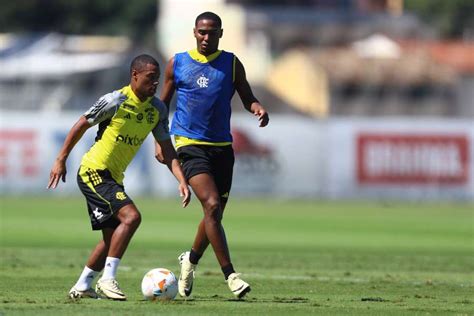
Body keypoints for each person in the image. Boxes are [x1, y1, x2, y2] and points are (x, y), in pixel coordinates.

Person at [47, 54, 191, 301]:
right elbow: (82, 123)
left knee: (112, 237)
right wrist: (61, 158)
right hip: (93, 171)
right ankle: (108, 279)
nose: (155, 84)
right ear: (135, 75)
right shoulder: (115, 100)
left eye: (157, 79)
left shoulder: (156, 110)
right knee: (132, 216)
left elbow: (167, 149)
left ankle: (83, 285)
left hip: (113, 178)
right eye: (150, 78)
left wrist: (181, 179)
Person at [156, 11, 269, 299]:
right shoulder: (178, 64)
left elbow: (247, 97)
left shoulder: (231, 64)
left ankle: (190, 260)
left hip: (222, 148)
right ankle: (231, 276)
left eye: (212, 32)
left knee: (212, 214)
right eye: (201, 32)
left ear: (220, 33)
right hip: (188, 144)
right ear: (194, 32)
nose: (206, 37)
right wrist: (160, 141)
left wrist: (257, 108)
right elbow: (160, 107)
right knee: (212, 205)